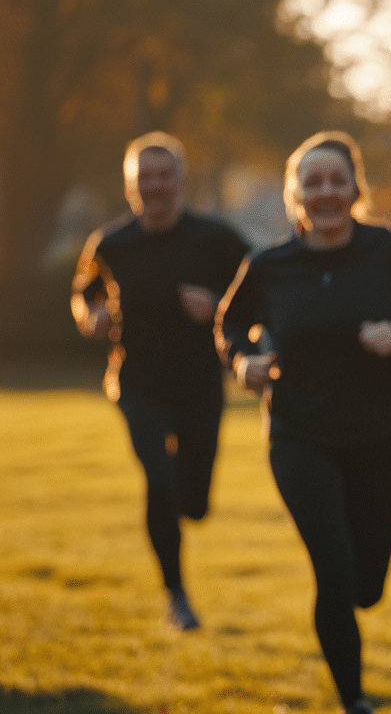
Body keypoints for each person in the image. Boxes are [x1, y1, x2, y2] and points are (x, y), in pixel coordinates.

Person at [216, 132, 391, 714]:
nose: (326, 192)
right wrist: (243, 360)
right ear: (296, 195)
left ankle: (357, 621)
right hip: (298, 435)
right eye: (313, 182)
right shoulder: (270, 266)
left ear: (356, 189)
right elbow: (230, 324)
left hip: (379, 440)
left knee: (366, 586)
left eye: (337, 180)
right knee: (333, 571)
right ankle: (353, 699)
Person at [71, 132, 251, 632]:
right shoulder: (110, 243)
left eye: (162, 175)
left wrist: (218, 307)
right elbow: (83, 291)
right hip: (136, 382)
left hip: (200, 385)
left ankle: (186, 515)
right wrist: (91, 315)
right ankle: (177, 596)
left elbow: (261, 292)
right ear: (130, 185)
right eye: (142, 178)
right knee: (160, 479)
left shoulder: (217, 239)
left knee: (193, 502)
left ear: (181, 180)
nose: (153, 186)